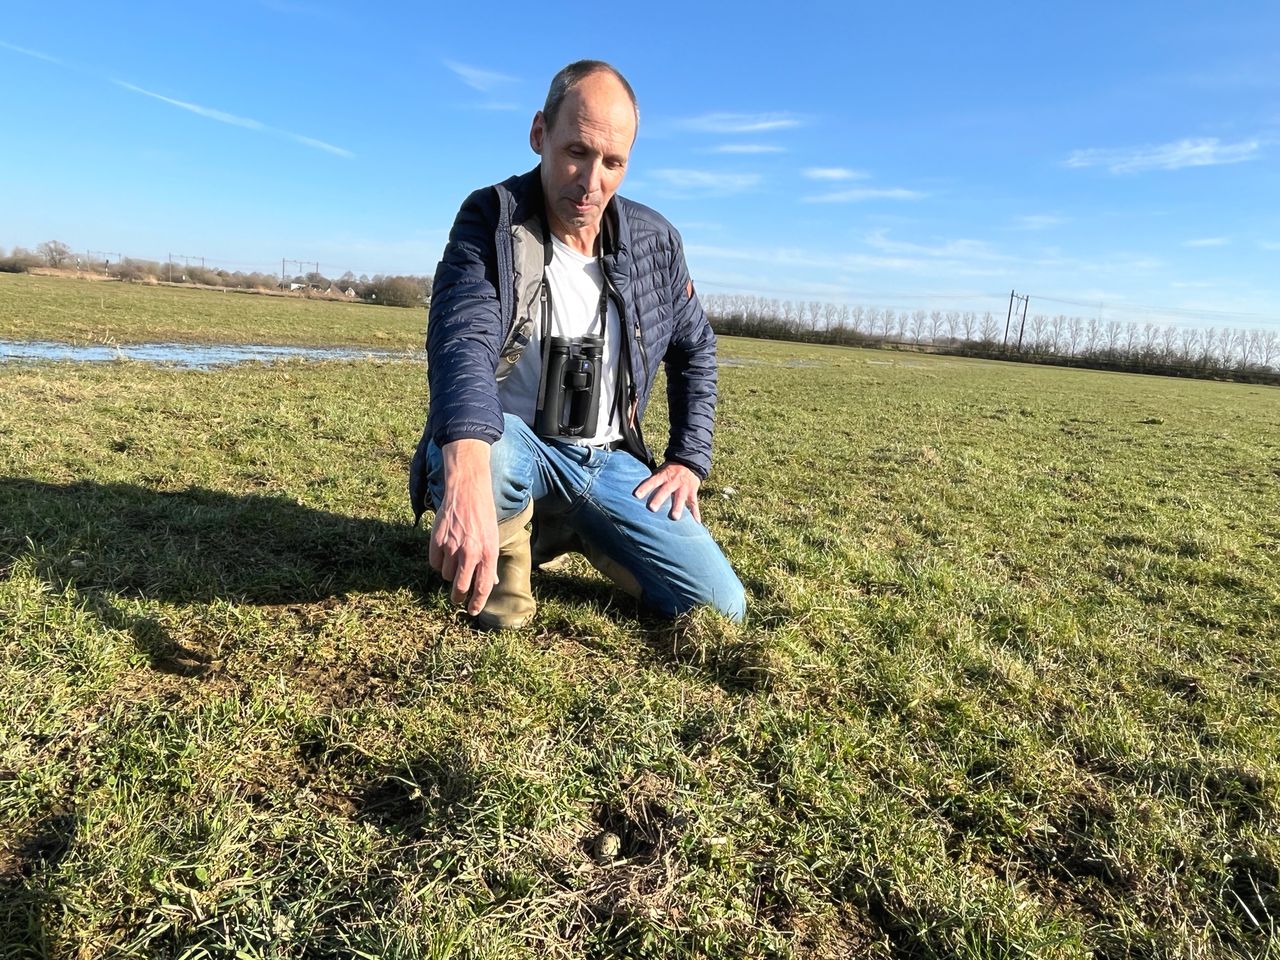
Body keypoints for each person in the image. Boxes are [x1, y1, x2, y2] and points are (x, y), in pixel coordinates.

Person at [409, 60, 745, 628]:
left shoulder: (655, 242)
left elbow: (696, 348)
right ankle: (506, 562)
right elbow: (460, 339)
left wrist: (690, 457)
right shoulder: (491, 220)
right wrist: (464, 470)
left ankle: (577, 526)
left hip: (608, 460)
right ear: (540, 134)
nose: (592, 183)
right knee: (489, 458)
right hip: (515, 445)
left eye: (613, 162)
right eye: (576, 153)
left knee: (720, 606)